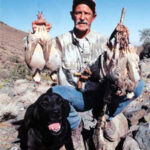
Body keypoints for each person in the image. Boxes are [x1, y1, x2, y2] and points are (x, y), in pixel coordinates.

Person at [30, 0, 144, 149]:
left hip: (101, 94)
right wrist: (36, 36)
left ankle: (105, 118)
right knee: (55, 91)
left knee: (138, 85)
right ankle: (75, 125)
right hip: (75, 96)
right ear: (72, 15)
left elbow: (117, 65)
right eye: (78, 13)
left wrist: (120, 39)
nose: (82, 17)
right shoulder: (59, 42)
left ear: (93, 17)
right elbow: (40, 60)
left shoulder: (104, 41)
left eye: (86, 13)